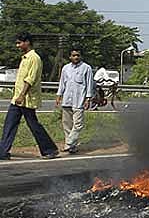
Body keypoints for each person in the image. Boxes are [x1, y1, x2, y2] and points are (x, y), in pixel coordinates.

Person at [0, 32, 59, 160]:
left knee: (33, 125)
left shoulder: (34, 58)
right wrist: (18, 96)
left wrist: (22, 95)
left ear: (27, 42)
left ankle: (50, 150)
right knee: (9, 124)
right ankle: (3, 151)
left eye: (19, 43)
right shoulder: (25, 58)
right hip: (17, 99)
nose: (17, 45)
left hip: (27, 99)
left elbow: (30, 79)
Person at [55, 47, 94, 154]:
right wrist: (59, 95)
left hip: (79, 100)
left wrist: (88, 99)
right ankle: (72, 146)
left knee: (78, 124)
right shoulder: (66, 68)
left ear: (81, 56)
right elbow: (62, 83)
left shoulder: (86, 68)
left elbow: (89, 85)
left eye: (78, 55)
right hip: (67, 100)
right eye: (74, 55)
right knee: (67, 124)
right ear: (70, 57)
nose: (76, 57)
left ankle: (68, 143)